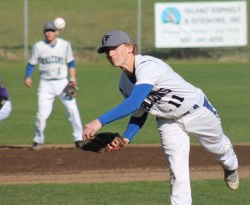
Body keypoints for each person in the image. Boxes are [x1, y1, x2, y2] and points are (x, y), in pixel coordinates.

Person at [83, 30, 239, 205]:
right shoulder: (123, 84)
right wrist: (126, 138)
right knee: (177, 172)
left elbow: (134, 102)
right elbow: (140, 110)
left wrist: (100, 121)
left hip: (196, 111)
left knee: (218, 148)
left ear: (129, 48)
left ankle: (230, 166)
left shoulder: (148, 66)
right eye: (106, 51)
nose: (110, 54)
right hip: (168, 121)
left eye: (114, 48)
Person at [24, 20, 83, 150]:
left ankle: (79, 138)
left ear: (56, 32)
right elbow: (31, 63)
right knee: (42, 114)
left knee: (72, 110)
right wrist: (28, 76)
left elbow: (71, 63)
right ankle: (38, 140)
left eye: (51, 30)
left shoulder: (65, 45)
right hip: (45, 84)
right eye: (46, 30)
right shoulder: (38, 46)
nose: (49, 33)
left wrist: (72, 79)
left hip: (62, 82)